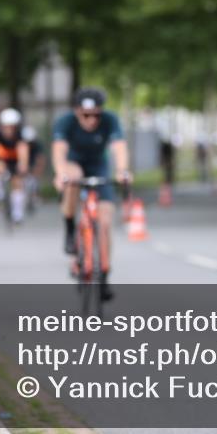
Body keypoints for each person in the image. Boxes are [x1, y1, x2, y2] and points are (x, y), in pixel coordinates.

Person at [52, 87, 132, 301]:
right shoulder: (65, 122)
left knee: (105, 221)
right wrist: (60, 174)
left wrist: (123, 171)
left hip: (99, 167)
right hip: (74, 164)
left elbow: (119, 147)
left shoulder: (110, 120)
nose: (91, 120)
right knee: (72, 177)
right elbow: (59, 151)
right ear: (77, 112)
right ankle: (70, 228)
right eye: (86, 115)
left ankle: (104, 274)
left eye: (96, 114)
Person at [0, 107, 29, 224]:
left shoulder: (20, 136)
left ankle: (17, 212)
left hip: (14, 161)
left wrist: (23, 165)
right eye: (6, 126)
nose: (9, 130)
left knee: (18, 181)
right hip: (2, 160)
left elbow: (23, 151)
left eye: (12, 126)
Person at [22, 124, 45, 213]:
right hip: (24, 165)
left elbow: (41, 159)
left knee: (34, 182)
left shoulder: (37, 146)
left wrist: (38, 171)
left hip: (33, 165)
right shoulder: (21, 144)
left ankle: (35, 195)